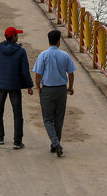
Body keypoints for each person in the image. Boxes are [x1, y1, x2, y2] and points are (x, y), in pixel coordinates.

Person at [33, 29, 77, 157]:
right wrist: (71, 87)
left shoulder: (43, 55)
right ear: (59, 42)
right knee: (59, 118)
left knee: (47, 119)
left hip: (47, 89)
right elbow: (71, 73)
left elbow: (38, 74)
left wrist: (38, 88)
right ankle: (55, 144)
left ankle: (56, 143)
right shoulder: (65, 55)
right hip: (61, 89)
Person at [0, 27, 34, 149]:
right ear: (13, 37)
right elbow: (25, 71)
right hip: (15, 86)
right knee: (17, 113)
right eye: (16, 35)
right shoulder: (21, 52)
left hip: (0, 85)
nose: (17, 37)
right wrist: (29, 86)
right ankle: (17, 141)